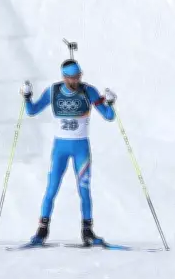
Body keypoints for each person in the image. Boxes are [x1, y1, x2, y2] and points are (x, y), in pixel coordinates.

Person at [19, 58, 117, 246]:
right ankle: (41, 231)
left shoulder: (89, 91)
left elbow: (109, 116)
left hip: (81, 149)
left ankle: (87, 231)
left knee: (85, 190)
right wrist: (27, 97)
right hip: (60, 150)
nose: (76, 81)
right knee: (51, 188)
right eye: (71, 78)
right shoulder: (54, 91)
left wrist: (111, 103)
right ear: (64, 77)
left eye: (78, 76)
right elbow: (32, 111)